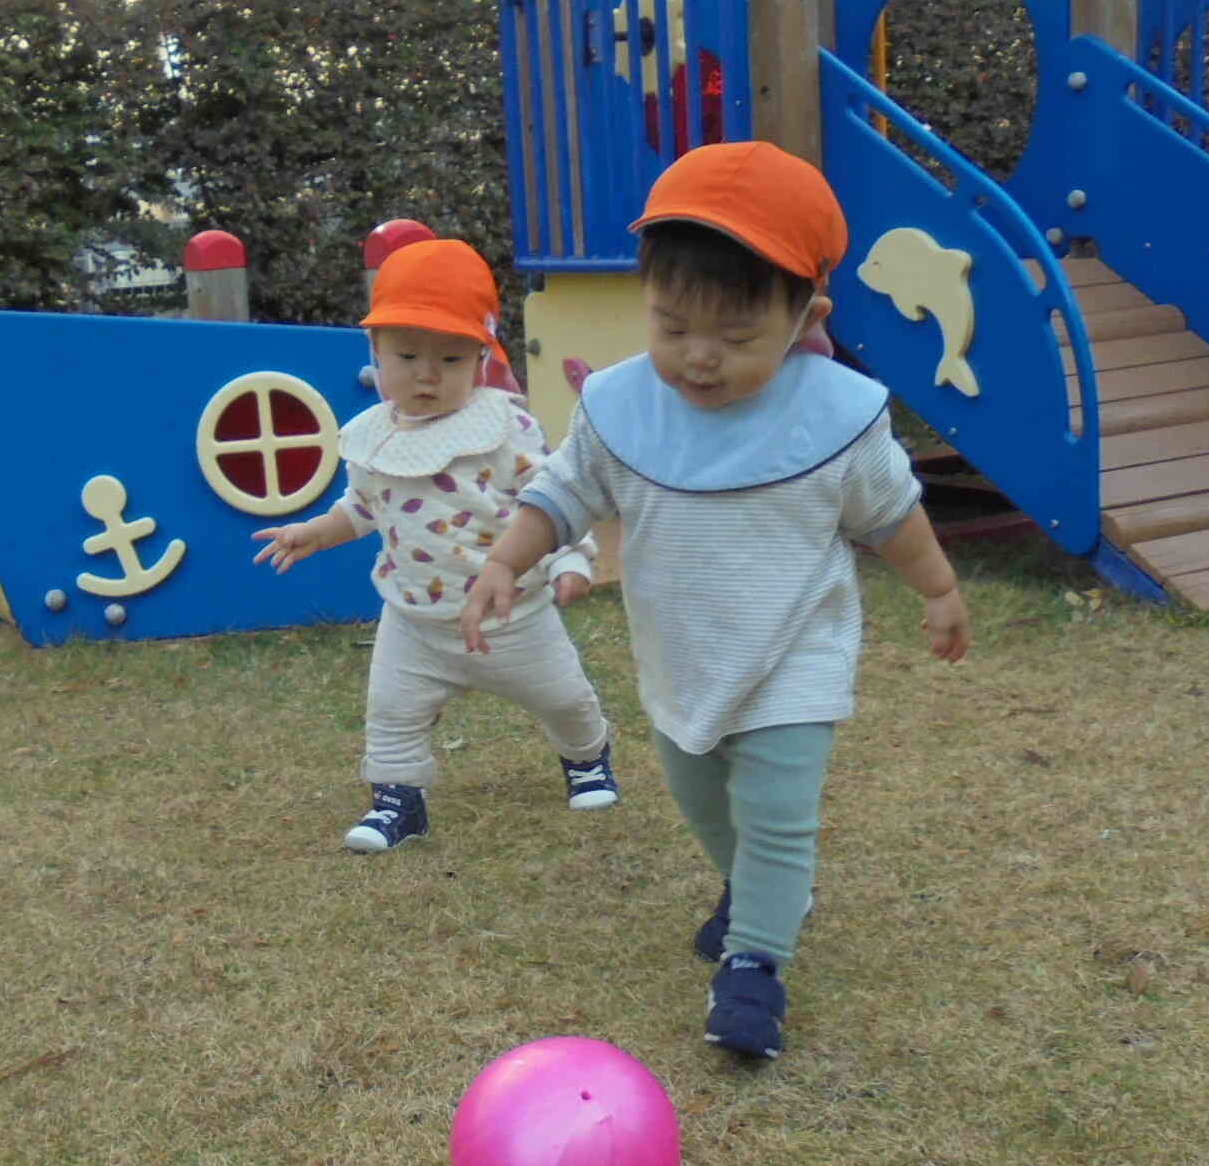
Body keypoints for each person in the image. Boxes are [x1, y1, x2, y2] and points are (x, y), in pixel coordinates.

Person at [457, 143, 970, 1062]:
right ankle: (757, 887)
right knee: (700, 795)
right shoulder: (623, 406)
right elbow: (565, 491)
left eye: (737, 339)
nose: (699, 359)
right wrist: (507, 559)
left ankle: (756, 967)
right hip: (683, 661)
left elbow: (893, 513)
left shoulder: (837, 417)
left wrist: (935, 588)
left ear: (805, 318)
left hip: (792, 660)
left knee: (778, 812)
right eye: (671, 326)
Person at [252, 238, 619, 853]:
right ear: (374, 352)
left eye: (450, 359)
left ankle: (587, 758)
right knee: (391, 714)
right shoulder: (371, 437)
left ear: (481, 356)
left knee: (565, 699)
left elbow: (554, 497)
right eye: (407, 356)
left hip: (515, 616)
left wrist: (574, 559)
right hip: (414, 618)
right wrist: (314, 533)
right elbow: (363, 508)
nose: (427, 374)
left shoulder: (505, 427)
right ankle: (398, 800)